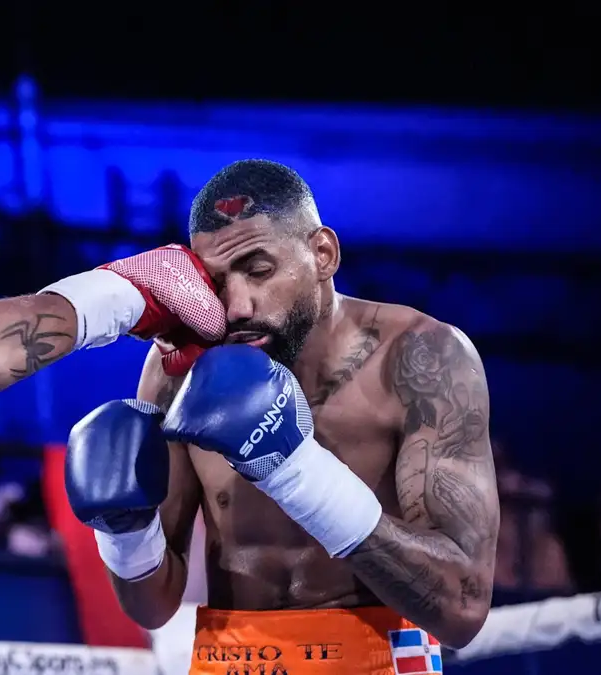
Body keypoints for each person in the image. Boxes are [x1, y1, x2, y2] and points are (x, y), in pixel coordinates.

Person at [64, 160, 499, 674]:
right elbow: (154, 607)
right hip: (228, 660)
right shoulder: (178, 369)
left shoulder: (420, 357)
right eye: (216, 282)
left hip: (378, 659)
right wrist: (126, 536)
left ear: (323, 254)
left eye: (259, 270)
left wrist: (296, 471)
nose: (237, 306)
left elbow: (462, 609)